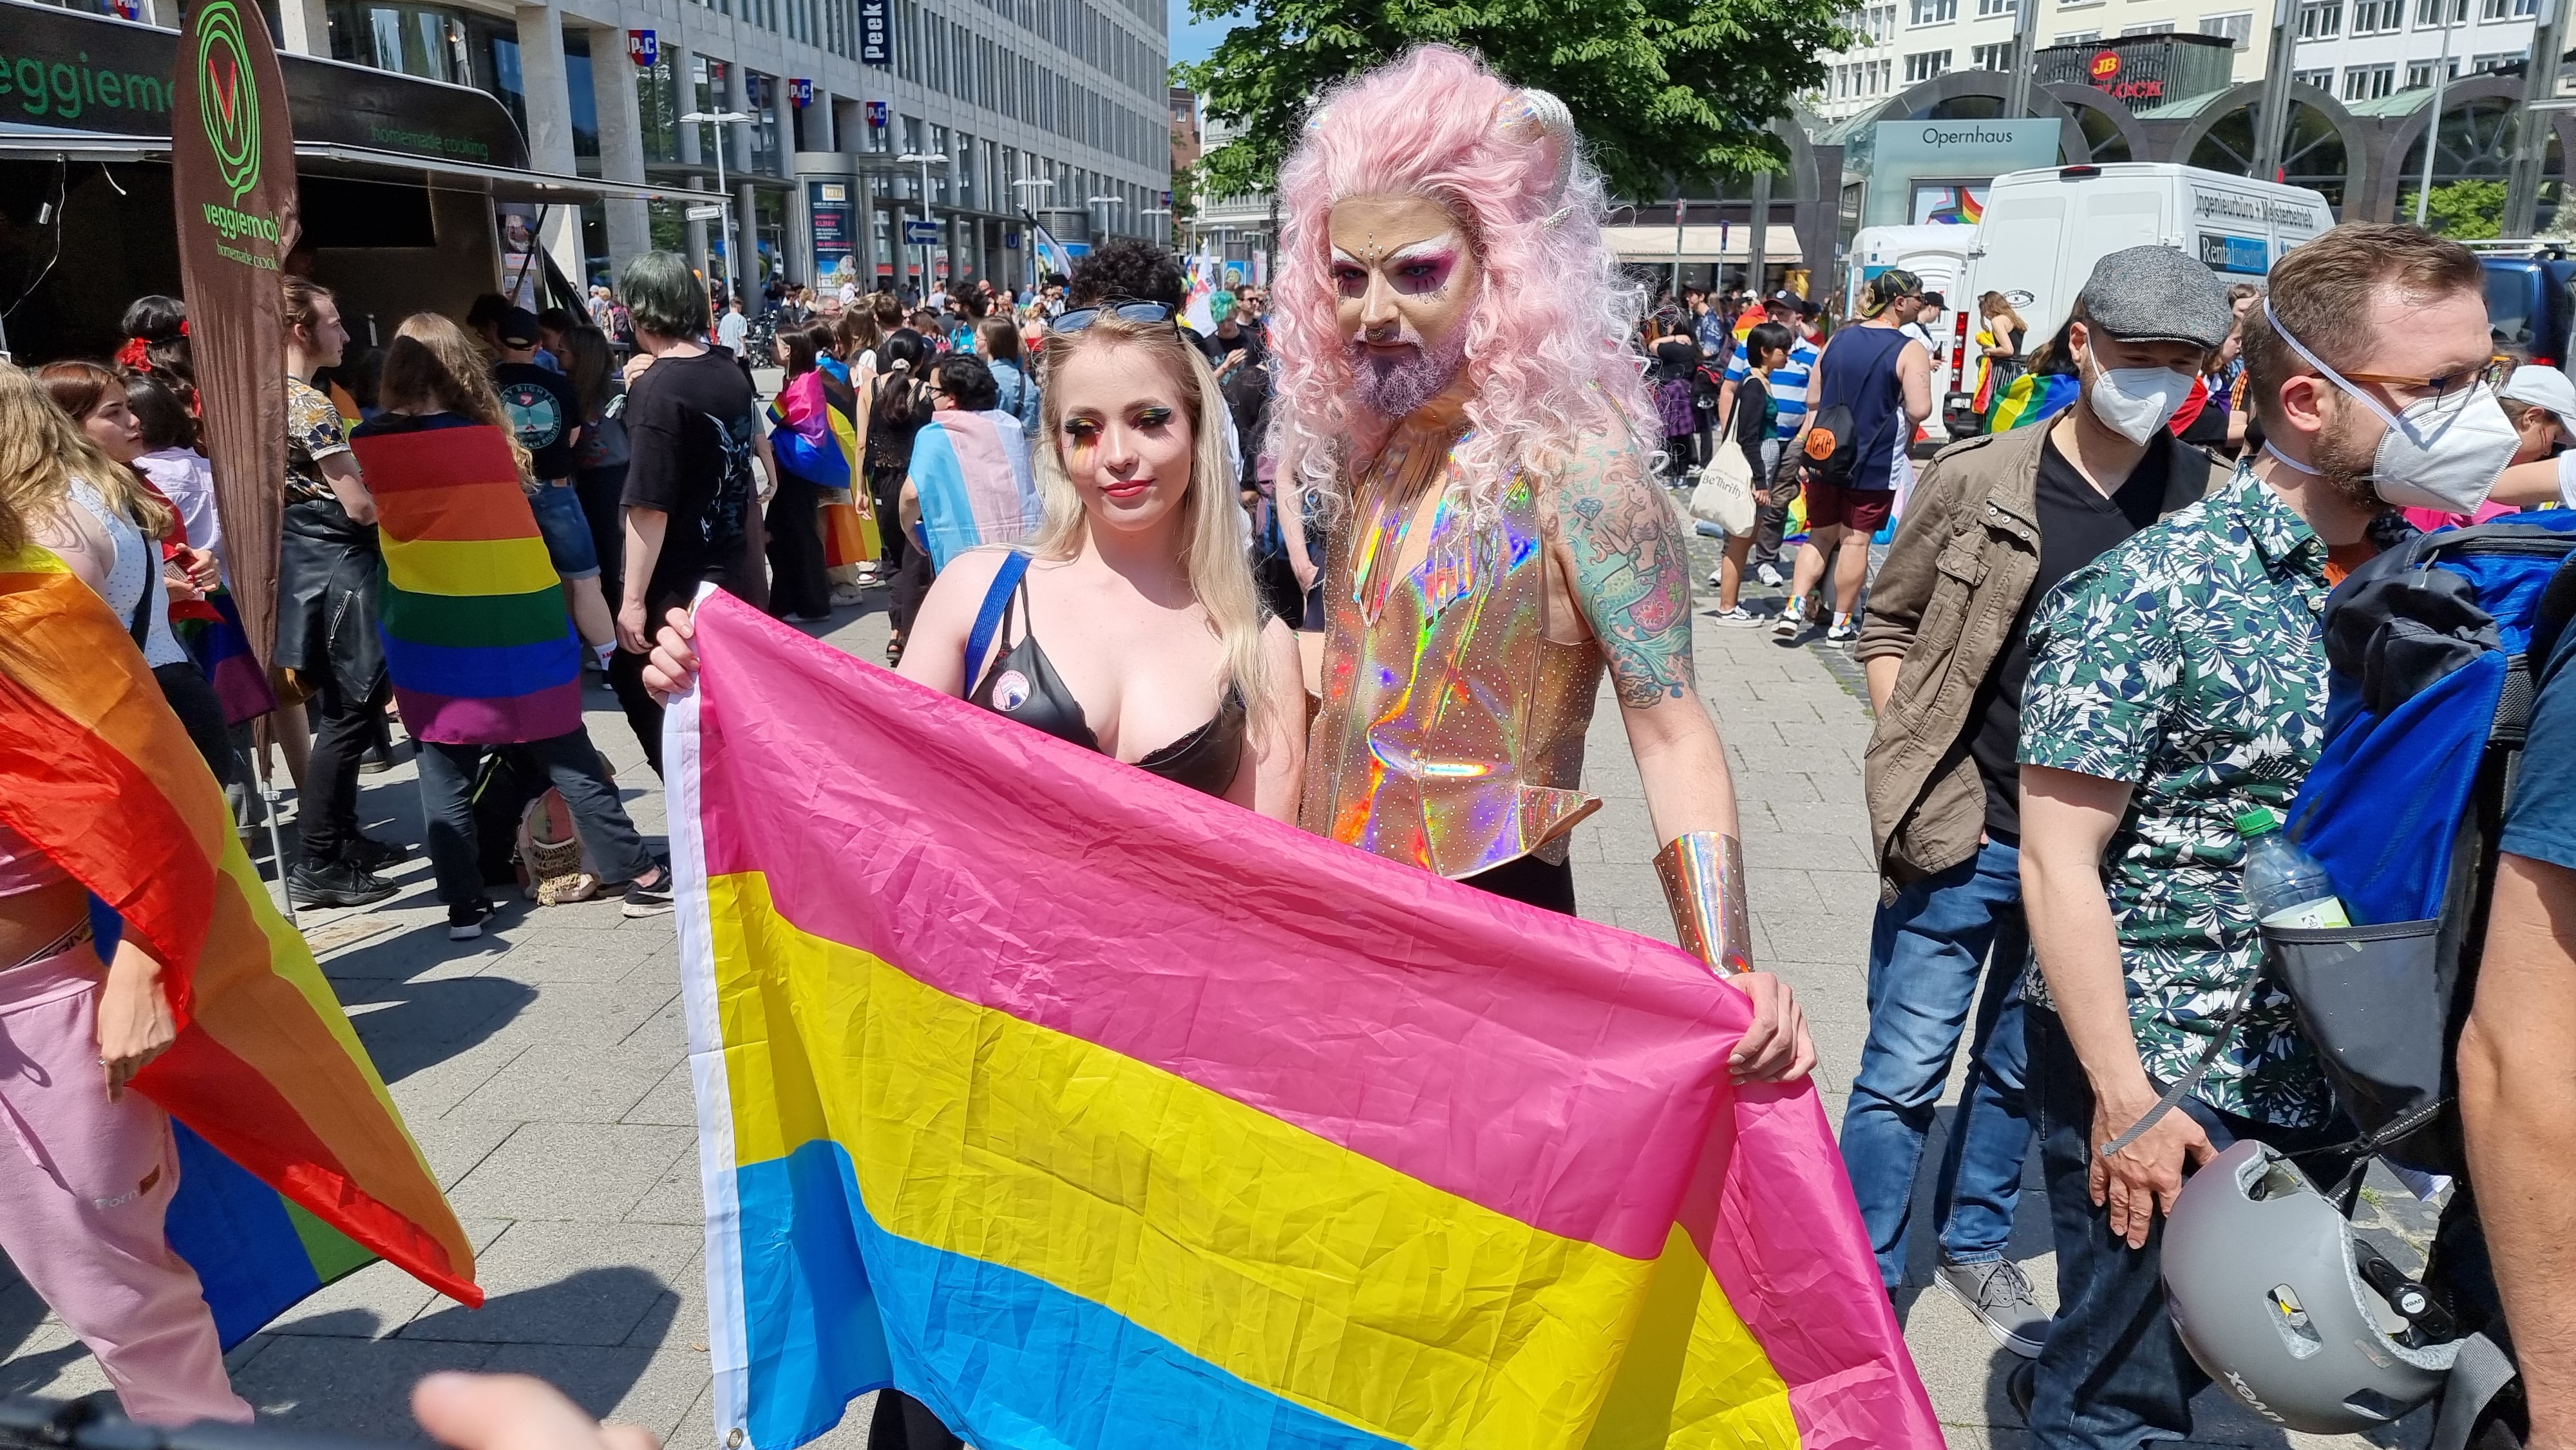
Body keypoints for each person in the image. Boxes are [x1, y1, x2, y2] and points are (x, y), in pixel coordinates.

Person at [640, 310, 1313, 1450]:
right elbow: (850, 769)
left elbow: (1269, 900)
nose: (1122, 455)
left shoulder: (1259, 643)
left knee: (1118, 1381)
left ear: (1199, 431)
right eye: (1087, 428)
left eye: (1150, 421)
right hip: (975, 1063)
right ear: (1056, 445)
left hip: (1147, 1083)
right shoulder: (981, 589)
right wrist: (712, 677)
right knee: (945, 1382)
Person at [2011, 223, 2505, 1444]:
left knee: (2314, 1372)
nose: (2478, 415)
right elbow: (2055, 857)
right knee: (2128, 1402)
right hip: (2177, 1075)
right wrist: (2125, 1097)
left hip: (2369, 1090)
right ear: (2306, 397)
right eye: (2439, 387)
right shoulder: (2154, 591)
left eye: (2486, 375)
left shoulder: (2453, 587)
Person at [1271, 45, 1810, 1080]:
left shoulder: (1580, 465)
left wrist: (1725, 965)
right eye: (1347, 276)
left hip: (1490, 940)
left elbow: (1669, 724)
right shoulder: (1378, 446)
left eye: (1417, 270)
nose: (1373, 310)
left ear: (1502, 270)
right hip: (1332, 919)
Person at [1842, 247, 2235, 1359]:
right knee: (1901, 1074)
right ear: (2082, 346)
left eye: (2183, 361)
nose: (2157, 378)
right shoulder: (1981, 478)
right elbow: (1888, 620)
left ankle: (1974, 1243)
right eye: (2137, 355)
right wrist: (1910, 748)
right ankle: (1859, 1271)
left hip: (2097, 863)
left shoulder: (2206, 502)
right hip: (1963, 831)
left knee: (2019, 1069)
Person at [0, 375, 256, 1429]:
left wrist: (147, 961)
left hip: (44, 1007)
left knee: (123, 1299)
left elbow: (160, 798)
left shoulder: (36, 616)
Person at [350, 314, 673, 939]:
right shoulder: (489, 440)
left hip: (426, 620)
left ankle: (464, 905)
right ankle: (637, 875)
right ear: (461, 368)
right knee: (564, 747)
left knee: (442, 763)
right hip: (513, 613)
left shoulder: (367, 441)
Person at [28, 362, 233, 792]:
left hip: (161, 680)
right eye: (114, 412)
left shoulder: (115, 489)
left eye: (128, 409)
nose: (135, 421)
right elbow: (81, 611)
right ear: (69, 426)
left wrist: (178, 572)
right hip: (143, 689)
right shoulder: (66, 507)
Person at [614, 251, 777, 776]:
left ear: (637, 312)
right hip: (730, 568)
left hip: (679, 584)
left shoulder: (659, 390)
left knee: (652, 690)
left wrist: (632, 599)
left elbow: (649, 508)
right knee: (717, 705)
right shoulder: (726, 368)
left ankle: (710, 817)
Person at [272, 278, 404, 907]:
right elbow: (357, 507)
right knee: (351, 716)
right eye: (334, 321)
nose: (345, 334)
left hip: (306, 565)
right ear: (301, 330)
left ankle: (342, 840)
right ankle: (319, 858)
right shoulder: (309, 404)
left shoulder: (259, 398)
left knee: (344, 713)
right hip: (342, 569)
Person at [1776, 270, 1932, 644]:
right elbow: (1921, 408)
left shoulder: (1838, 339)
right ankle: (1841, 621)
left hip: (1827, 451)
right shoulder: (1909, 348)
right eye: (1917, 298)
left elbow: (1813, 398)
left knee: (1820, 535)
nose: (1921, 304)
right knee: (1855, 541)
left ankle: (1794, 605)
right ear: (1898, 302)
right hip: (1874, 458)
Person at [492, 307, 616, 669]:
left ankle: (531, 662)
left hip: (506, 496)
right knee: (584, 579)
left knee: (515, 585)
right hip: (558, 491)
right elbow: (572, 439)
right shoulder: (561, 385)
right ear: (540, 343)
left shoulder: (482, 388)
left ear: (498, 341)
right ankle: (612, 664)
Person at [895, 352, 1041, 610]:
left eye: (932, 390)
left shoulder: (935, 434)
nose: (929, 396)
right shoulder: (1010, 426)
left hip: (966, 553)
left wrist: (908, 527)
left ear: (951, 399)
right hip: (1021, 546)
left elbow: (911, 494)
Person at [1718, 291, 1823, 589]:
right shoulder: (1750, 349)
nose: (1775, 318)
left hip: (1790, 441)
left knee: (1778, 502)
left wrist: (1803, 440)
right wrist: (1729, 434)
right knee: (1739, 497)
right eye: (1771, 313)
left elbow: (1814, 404)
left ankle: (1766, 560)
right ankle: (1730, 560)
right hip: (1751, 441)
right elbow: (1728, 390)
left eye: (1783, 314)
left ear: (1798, 319)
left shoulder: (1811, 356)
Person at [1705, 320, 1794, 626]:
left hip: (1760, 467)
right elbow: (1748, 437)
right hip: (1754, 469)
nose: (1788, 355)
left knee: (1743, 538)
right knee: (1740, 540)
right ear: (1765, 352)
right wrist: (1761, 482)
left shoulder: (1757, 382)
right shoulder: (1754, 385)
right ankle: (1727, 607)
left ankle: (1730, 603)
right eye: (1784, 350)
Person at [762, 325, 838, 623]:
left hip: (800, 469)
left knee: (800, 536)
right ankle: (786, 602)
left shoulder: (806, 383)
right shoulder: (796, 380)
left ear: (789, 350)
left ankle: (811, 605)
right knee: (780, 535)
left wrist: (773, 441)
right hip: (790, 466)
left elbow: (808, 429)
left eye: (775, 344)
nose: (771, 349)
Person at [1647, 314, 1701, 484]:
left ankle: (1669, 475)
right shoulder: (1694, 348)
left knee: (1668, 436)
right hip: (1686, 393)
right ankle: (1682, 476)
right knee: (1684, 436)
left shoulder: (1672, 348)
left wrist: (1673, 338)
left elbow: (1652, 346)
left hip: (1670, 394)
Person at [976, 314, 1042, 440]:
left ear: (990, 342)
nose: (975, 341)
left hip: (993, 450)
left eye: (978, 338)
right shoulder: (1027, 382)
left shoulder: (985, 379)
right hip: (1022, 453)